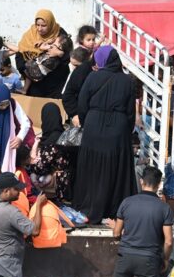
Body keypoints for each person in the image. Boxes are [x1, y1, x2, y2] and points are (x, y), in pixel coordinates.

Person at [73, 46, 137, 224]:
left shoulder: (93, 77)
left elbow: (82, 103)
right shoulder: (127, 81)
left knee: (92, 168)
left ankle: (91, 207)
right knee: (116, 169)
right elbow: (131, 111)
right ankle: (115, 209)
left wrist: (87, 122)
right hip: (118, 128)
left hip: (93, 126)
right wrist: (126, 130)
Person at [108, 167, 174, 277]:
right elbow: (168, 241)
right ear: (159, 184)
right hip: (150, 260)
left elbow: (116, 233)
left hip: (126, 256)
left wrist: (119, 234)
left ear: (141, 181)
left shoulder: (127, 202)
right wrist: (165, 259)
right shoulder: (164, 208)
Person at [16, 9, 70, 99]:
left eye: (44, 25)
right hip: (35, 84)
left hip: (54, 84)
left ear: (50, 23)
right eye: (37, 25)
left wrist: (59, 53)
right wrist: (25, 70)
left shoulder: (60, 34)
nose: (39, 29)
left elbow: (68, 56)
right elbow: (20, 52)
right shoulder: (30, 34)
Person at [28, 103, 72, 200]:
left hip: (58, 185)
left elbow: (40, 168)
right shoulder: (64, 135)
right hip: (68, 180)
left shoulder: (52, 142)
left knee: (30, 175)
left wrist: (29, 164)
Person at [63, 47, 94, 127]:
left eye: (76, 65)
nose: (73, 68)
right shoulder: (77, 73)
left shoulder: (83, 71)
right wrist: (74, 114)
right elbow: (68, 95)